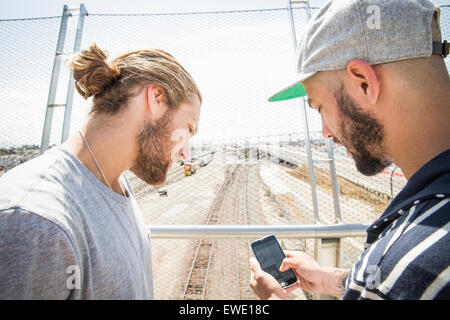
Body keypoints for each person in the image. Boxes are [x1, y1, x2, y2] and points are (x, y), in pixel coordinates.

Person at [249, 0, 449, 300]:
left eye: (319, 107)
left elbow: (397, 279)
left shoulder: (408, 265)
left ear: (364, 84)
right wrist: (339, 281)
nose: (325, 132)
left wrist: (279, 298)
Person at [0, 43, 202, 299]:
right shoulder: (33, 222)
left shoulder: (115, 185)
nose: (186, 153)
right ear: (156, 98)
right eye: (189, 128)